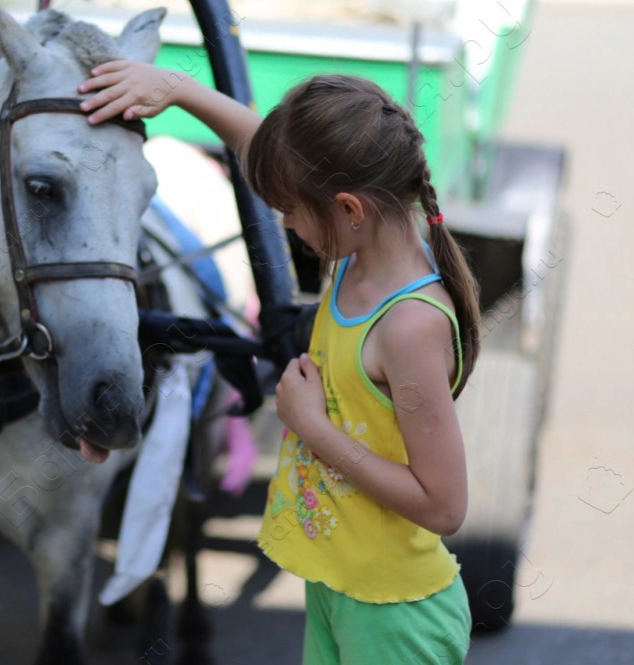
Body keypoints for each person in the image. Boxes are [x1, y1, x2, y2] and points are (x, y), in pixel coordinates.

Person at [78, 61, 481, 665]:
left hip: (394, 615)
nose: (286, 224)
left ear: (349, 209)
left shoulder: (408, 325)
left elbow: (444, 506)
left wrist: (313, 428)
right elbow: (263, 146)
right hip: (342, 586)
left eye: (290, 210)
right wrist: (179, 90)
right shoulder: (358, 254)